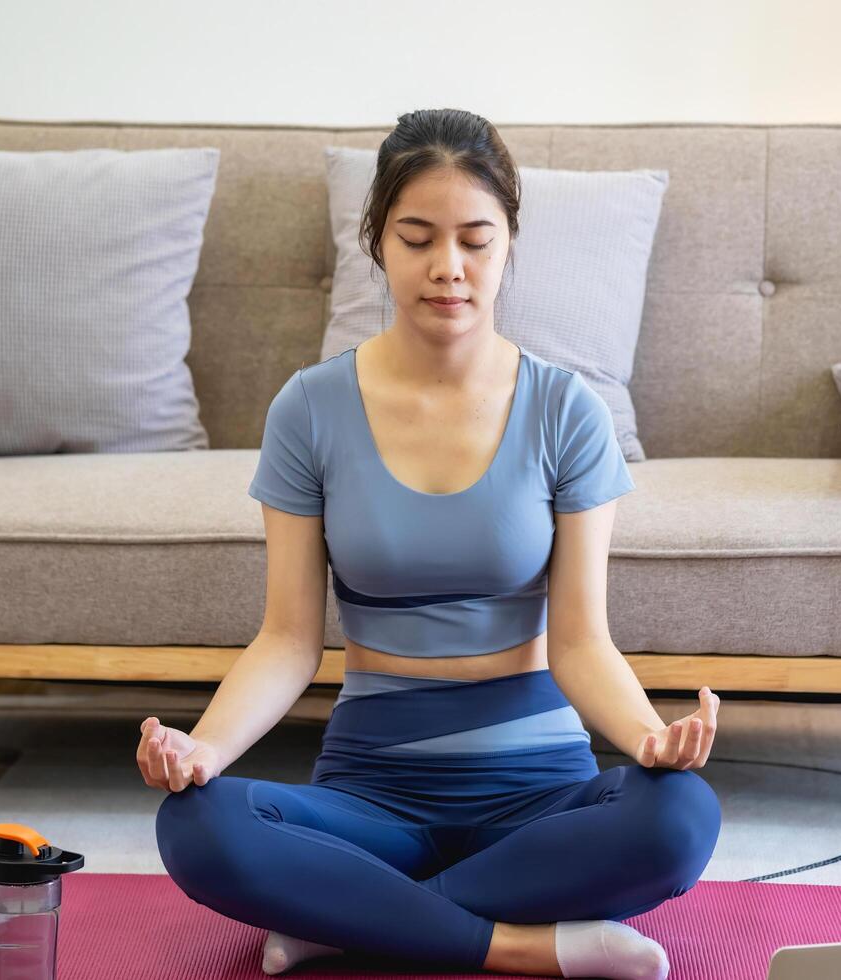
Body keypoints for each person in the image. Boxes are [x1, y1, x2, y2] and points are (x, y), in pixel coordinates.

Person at [141, 107, 722, 980]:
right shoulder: (309, 409)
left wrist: (647, 741)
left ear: (509, 246)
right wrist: (204, 751)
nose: (447, 268)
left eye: (475, 241)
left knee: (680, 818)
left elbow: (581, 642)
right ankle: (529, 945)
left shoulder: (569, 412)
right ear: (378, 241)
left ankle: (352, 915)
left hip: (539, 799)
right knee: (195, 825)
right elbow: (289, 640)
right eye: (417, 238)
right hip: (371, 797)